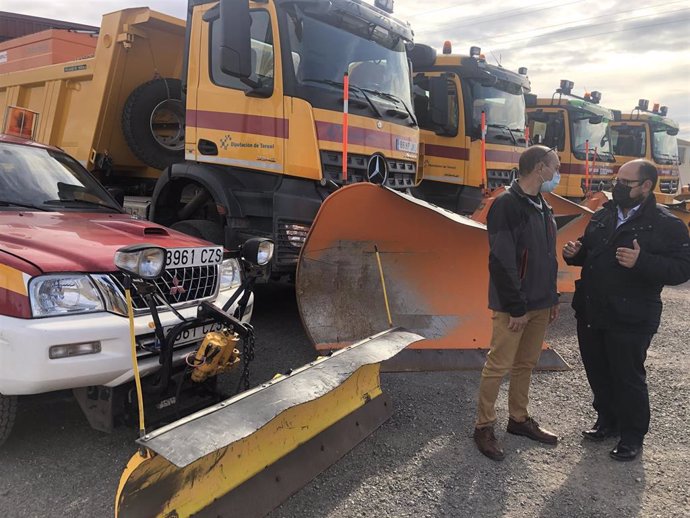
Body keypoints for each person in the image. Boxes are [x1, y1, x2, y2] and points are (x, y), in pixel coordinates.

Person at [563, 159, 690, 461]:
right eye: (617, 181)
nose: (617, 187)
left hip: (632, 315)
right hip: (593, 310)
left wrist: (642, 261)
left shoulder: (667, 225)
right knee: (598, 369)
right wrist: (576, 254)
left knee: (627, 375)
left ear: (646, 186)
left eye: (625, 183)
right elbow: (591, 249)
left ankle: (632, 435)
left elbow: (683, 268)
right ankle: (607, 420)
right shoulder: (604, 214)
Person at [473, 145, 561, 461]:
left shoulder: (541, 205)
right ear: (540, 168)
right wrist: (516, 307)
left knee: (526, 363)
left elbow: (547, 258)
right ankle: (483, 426)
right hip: (515, 306)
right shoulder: (506, 205)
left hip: (540, 302)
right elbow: (501, 260)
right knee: (498, 365)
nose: (557, 173)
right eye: (555, 166)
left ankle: (518, 419)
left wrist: (552, 298)